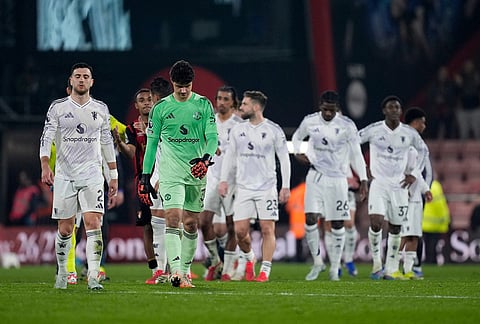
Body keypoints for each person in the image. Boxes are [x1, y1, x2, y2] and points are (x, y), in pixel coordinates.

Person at [40, 62, 118, 290]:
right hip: (65, 175)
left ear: (92, 82)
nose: (82, 79)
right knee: (65, 229)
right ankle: (63, 273)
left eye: (86, 76)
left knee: (94, 223)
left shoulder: (101, 109)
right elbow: (46, 139)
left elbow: (106, 143)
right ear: (71, 81)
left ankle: (93, 276)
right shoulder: (58, 108)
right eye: (78, 76)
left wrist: (112, 175)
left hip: (93, 175)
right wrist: (45, 165)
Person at [140, 60, 218, 288]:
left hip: (196, 171)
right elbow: (152, 144)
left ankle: (184, 271)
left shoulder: (203, 105)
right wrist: (146, 176)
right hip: (170, 172)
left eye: (187, 85)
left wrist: (206, 159)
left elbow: (212, 137)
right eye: (179, 86)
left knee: (192, 223)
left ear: (192, 83)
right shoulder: (161, 108)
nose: (183, 90)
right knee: (173, 218)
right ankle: (175, 272)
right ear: (172, 83)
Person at [291, 90, 368, 281]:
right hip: (316, 176)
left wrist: (364, 179)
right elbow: (296, 139)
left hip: (338, 180)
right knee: (310, 219)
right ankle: (317, 263)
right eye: (325, 110)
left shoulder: (347, 125)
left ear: (337, 109)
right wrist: (298, 153)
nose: (328, 114)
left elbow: (357, 154)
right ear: (320, 106)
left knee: (337, 223)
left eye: (331, 110)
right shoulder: (310, 121)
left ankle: (335, 267)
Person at [219, 90, 291, 282]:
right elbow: (229, 156)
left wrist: (285, 186)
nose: (240, 107)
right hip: (244, 188)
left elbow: (284, 159)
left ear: (256, 107)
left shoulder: (274, 130)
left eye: (244, 104)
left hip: (267, 188)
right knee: (241, 232)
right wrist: (223, 180)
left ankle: (264, 271)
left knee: (267, 229)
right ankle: (250, 257)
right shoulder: (237, 130)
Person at [358, 95, 426, 280]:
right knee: (376, 222)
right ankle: (376, 263)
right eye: (391, 107)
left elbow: (423, 151)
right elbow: (353, 142)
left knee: (396, 228)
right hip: (379, 184)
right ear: (384, 111)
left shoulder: (409, 133)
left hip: (399, 186)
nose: (394, 110)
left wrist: (414, 173)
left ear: (401, 111)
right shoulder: (374, 130)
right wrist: (362, 167)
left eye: (397, 107)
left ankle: (391, 268)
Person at [112, 80, 171, 285]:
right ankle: (155, 268)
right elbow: (132, 153)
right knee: (148, 224)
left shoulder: (165, 122)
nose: (147, 103)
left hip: (168, 176)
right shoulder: (131, 128)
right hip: (143, 179)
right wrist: (120, 143)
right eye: (141, 100)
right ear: (136, 105)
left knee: (172, 220)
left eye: (149, 99)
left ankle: (173, 267)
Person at [199, 85, 243, 281]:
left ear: (234, 102)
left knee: (232, 226)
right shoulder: (209, 122)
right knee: (204, 221)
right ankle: (216, 260)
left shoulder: (240, 124)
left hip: (234, 181)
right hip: (212, 178)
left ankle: (228, 270)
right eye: (219, 99)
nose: (221, 103)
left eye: (226, 99)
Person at [399, 107, 433, 279]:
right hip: (401, 193)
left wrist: (426, 189)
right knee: (401, 232)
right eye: (423, 122)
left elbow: (421, 171)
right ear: (415, 122)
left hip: (416, 195)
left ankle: (409, 270)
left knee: (413, 233)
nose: (424, 126)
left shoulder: (420, 145)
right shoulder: (401, 139)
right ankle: (391, 267)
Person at [422, 179, 450, 264]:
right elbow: (440, 205)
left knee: (425, 245)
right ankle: (431, 262)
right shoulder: (435, 186)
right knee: (432, 246)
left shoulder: (421, 183)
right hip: (434, 224)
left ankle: (423, 262)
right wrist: (445, 222)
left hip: (422, 222)